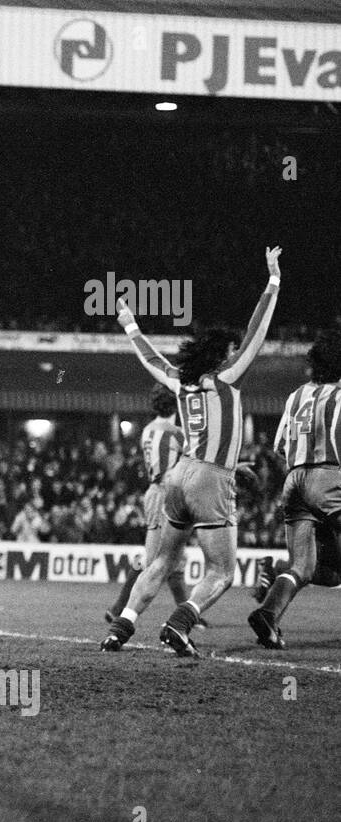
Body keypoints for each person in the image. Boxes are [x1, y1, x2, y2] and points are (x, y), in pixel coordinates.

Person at [102, 246, 281, 658]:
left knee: (161, 562)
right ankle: (180, 622)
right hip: (210, 477)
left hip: (177, 479)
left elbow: (150, 357)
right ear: (222, 354)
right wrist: (272, 281)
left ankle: (121, 627)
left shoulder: (180, 383)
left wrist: (129, 323)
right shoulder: (226, 377)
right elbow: (257, 332)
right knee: (222, 570)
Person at [247, 328, 341, 649]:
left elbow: (279, 446)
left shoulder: (295, 396)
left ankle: (268, 615)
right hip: (329, 479)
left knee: (305, 567)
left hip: (294, 481)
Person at [105, 383, 203, 626]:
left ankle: (188, 617)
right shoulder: (177, 433)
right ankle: (121, 610)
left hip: (152, 491)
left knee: (174, 557)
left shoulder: (148, 430)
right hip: (166, 493)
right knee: (157, 560)